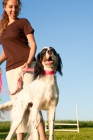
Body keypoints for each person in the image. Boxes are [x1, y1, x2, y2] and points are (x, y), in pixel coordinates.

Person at [0, 0, 47, 140]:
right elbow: (7, 51)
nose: (13, 9)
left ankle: (43, 137)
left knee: (31, 102)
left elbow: (33, 44)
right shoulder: (2, 28)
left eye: (16, 7)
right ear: (5, 7)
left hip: (27, 65)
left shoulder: (23, 22)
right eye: (10, 7)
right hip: (10, 69)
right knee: (18, 105)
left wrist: (28, 61)